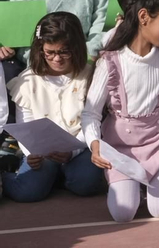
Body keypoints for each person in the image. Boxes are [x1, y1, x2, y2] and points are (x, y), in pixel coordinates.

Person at [84, 0, 159, 222]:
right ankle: (133, 183)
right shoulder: (111, 61)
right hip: (121, 146)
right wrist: (94, 143)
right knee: (123, 214)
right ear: (144, 17)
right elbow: (91, 112)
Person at [1, 12, 104, 202]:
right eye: (50, 52)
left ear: (77, 48)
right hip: (43, 152)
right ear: (40, 50)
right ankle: (7, 175)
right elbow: (27, 126)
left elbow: (92, 121)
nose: (57, 59)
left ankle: (62, 177)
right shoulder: (27, 81)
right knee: (27, 192)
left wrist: (72, 151)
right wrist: (32, 153)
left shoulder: (90, 76)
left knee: (87, 183)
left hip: (81, 147)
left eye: (64, 52)